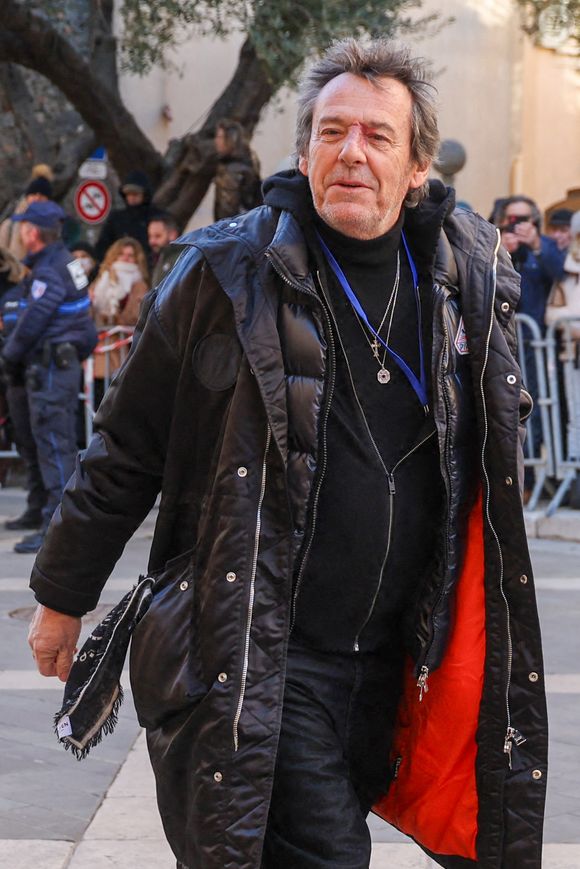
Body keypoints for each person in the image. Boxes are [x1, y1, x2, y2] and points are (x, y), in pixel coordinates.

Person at [27, 40, 546, 869]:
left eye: (378, 136)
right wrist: (62, 593)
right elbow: (127, 445)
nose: (351, 152)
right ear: (302, 152)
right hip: (263, 652)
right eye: (331, 131)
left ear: (417, 166)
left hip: (395, 663)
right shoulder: (226, 270)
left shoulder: (464, 276)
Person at [0, 201, 97, 554]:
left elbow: (37, 317)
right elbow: (86, 326)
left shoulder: (49, 271)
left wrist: (9, 355)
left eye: (22, 228)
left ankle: (57, 531)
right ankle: (45, 514)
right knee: (48, 444)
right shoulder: (64, 263)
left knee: (54, 447)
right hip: (58, 365)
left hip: (51, 367)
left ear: (31, 232)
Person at [496, 194, 565, 498]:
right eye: (513, 219)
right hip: (504, 344)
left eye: (525, 220)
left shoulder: (545, 247)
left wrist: (536, 244)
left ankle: (543, 479)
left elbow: (562, 274)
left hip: (538, 345)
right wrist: (502, 255)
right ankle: (519, 480)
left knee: (541, 411)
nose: (519, 225)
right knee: (508, 413)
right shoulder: (491, 242)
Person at [0, 246, 48, 529]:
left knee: (40, 444)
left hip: (26, 372)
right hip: (13, 374)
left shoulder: (20, 289)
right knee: (27, 445)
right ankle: (36, 508)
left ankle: (45, 512)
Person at [95, 171, 160, 262]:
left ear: (144, 195)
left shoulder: (157, 217)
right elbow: (102, 247)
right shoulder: (116, 218)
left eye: (135, 194)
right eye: (128, 194)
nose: (131, 198)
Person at [213, 118, 262, 220]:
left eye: (220, 137)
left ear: (230, 139)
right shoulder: (248, 162)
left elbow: (227, 211)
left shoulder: (233, 171)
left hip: (233, 230)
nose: (216, 141)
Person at [0, 170, 54, 261]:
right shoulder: (10, 225)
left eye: (42, 195)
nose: (37, 198)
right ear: (27, 197)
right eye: (33, 194)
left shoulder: (55, 227)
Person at [147, 213, 181, 286]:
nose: (152, 241)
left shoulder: (181, 259)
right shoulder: (155, 258)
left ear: (172, 235)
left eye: (157, 236)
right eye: (150, 236)